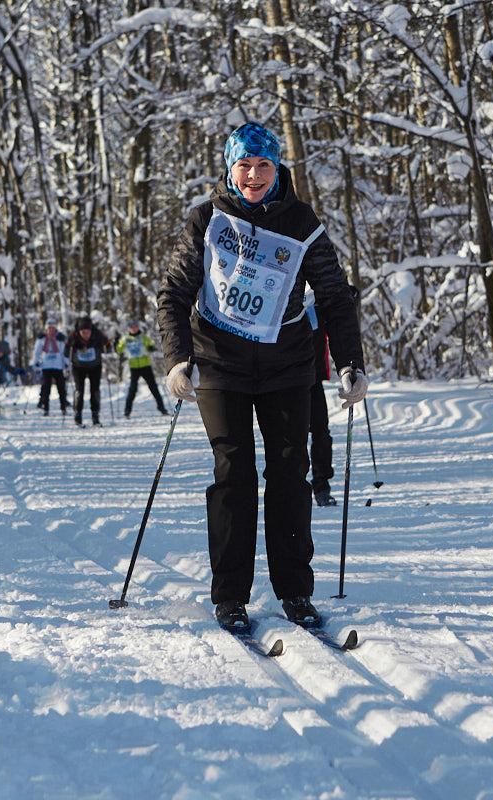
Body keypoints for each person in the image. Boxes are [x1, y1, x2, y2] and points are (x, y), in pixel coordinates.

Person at [156, 122, 368, 632]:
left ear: (278, 168)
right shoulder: (205, 220)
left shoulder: (300, 221)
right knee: (234, 474)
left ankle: (295, 592)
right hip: (221, 364)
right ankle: (230, 596)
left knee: (290, 475)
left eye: (264, 165)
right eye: (244, 166)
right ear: (230, 169)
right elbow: (174, 294)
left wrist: (350, 364)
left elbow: (336, 296)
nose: (254, 175)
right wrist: (177, 359)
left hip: (288, 364)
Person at [308, 316, 335, 507]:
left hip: (314, 376)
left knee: (321, 432)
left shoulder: (320, 297)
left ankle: (322, 486)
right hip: (285, 376)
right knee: (292, 435)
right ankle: (293, 485)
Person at [65, 316, 111, 427]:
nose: (85, 334)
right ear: (79, 331)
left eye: (87, 332)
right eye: (83, 332)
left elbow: (108, 347)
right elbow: (66, 351)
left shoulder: (98, 334)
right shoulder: (73, 336)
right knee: (79, 391)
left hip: (95, 366)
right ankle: (78, 417)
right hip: (78, 367)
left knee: (95, 391)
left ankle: (95, 417)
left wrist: (104, 345)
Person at [116, 320, 168, 418]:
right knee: (132, 390)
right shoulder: (126, 339)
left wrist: (151, 348)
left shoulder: (143, 336)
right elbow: (119, 350)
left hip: (146, 366)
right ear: (129, 328)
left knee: (153, 388)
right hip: (134, 367)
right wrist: (116, 344)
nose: (134, 329)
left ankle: (162, 409)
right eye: (132, 327)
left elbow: (151, 345)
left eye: (135, 326)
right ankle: (127, 412)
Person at [32, 317, 69, 416]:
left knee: (61, 387)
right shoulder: (42, 339)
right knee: (46, 388)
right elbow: (37, 352)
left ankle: (63, 407)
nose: (51, 330)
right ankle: (46, 408)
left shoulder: (60, 338)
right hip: (46, 365)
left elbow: (64, 352)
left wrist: (66, 363)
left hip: (58, 365)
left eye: (53, 328)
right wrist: (35, 362)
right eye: (49, 328)